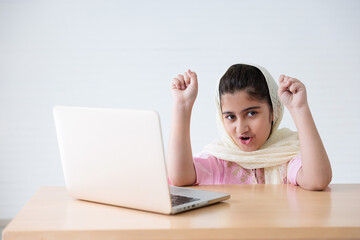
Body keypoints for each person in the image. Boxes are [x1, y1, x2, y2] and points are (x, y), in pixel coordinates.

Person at [167, 63, 332, 191]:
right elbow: (180, 177)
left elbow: (317, 180)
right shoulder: (221, 160)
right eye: (231, 117)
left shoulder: (284, 158)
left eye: (252, 113)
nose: (241, 128)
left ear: (274, 111)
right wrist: (182, 106)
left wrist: (299, 109)